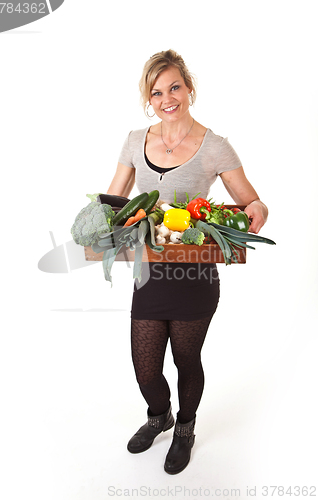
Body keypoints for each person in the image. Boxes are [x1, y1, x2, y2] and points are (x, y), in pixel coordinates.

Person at [107, 49, 268, 475]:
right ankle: (158, 414)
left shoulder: (214, 146)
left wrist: (257, 211)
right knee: (145, 368)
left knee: (185, 359)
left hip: (194, 272)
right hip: (149, 273)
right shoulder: (133, 140)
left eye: (174, 87)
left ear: (189, 89)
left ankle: (185, 427)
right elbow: (116, 200)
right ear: (149, 98)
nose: (167, 98)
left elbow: (250, 200)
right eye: (156, 92)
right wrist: (101, 223)